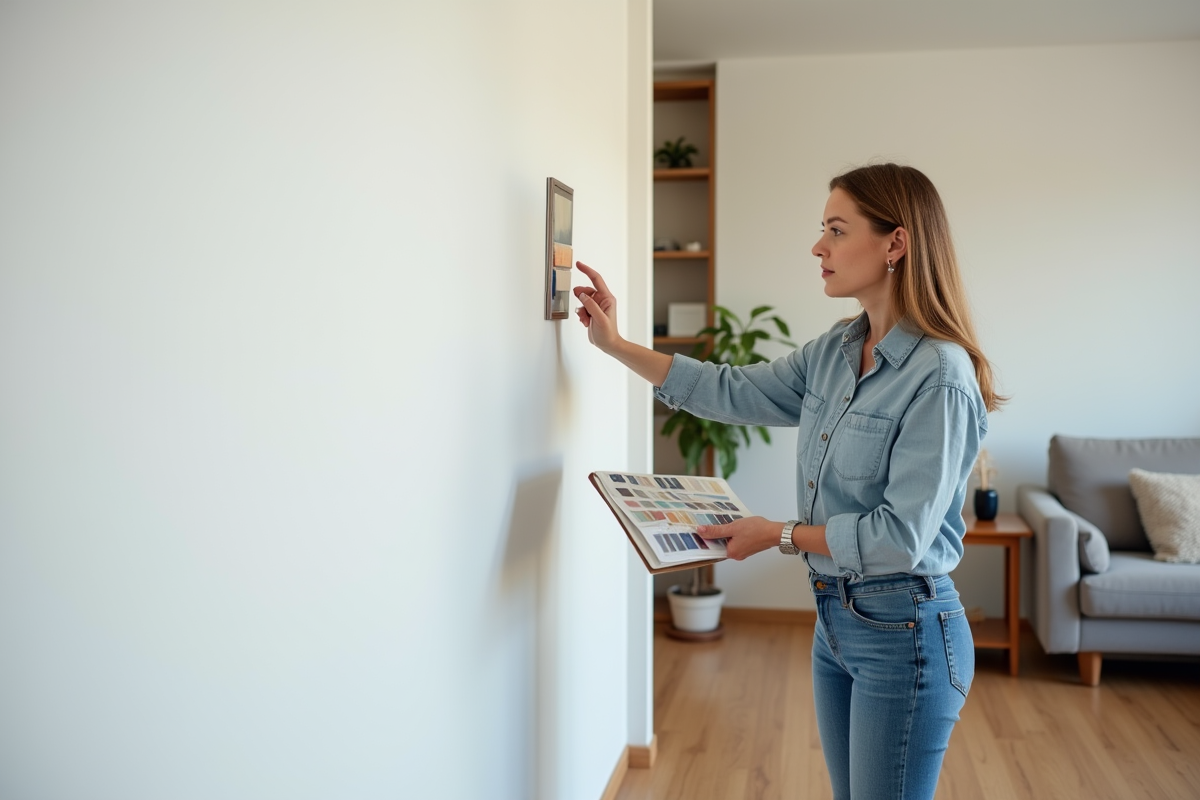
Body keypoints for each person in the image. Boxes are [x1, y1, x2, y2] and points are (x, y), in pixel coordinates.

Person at [573, 163, 1003, 800]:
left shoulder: (940, 375)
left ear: (896, 244)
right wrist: (615, 344)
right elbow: (731, 389)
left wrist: (778, 535)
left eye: (836, 229)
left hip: (906, 633)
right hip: (835, 622)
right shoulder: (835, 350)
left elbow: (900, 538)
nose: (818, 247)